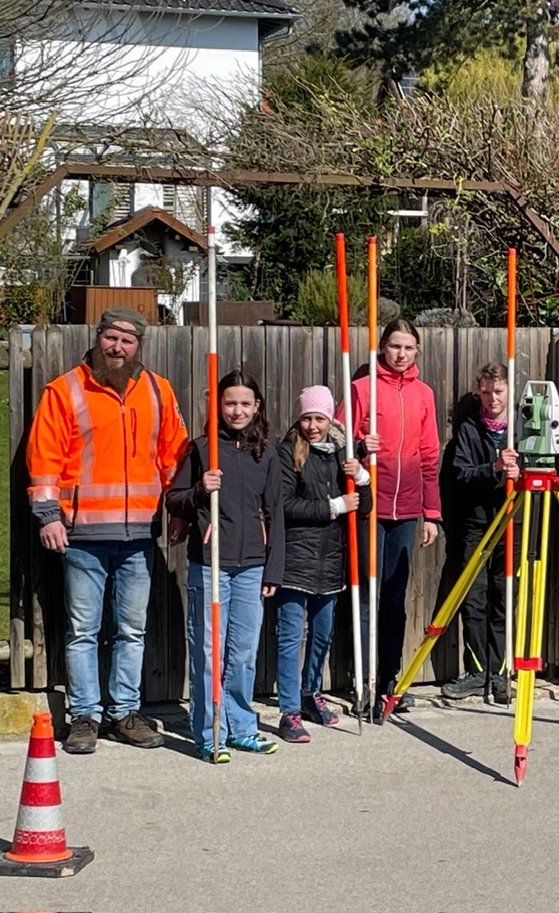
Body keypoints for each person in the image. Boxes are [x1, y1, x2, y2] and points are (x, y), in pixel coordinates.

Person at [27, 307, 188, 755]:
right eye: (111, 337)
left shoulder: (158, 390)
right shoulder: (65, 390)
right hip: (82, 535)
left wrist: (180, 510)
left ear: (138, 346)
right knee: (83, 630)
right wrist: (48, 515)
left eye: (127, 340)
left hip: (140, 535)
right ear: (98, 337)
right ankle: (85, 717)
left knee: (132, 631)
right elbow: (44, 457)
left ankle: (125, 713)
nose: (117, 347)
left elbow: (173, 456)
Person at [167, 370, 284, 761]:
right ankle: (209, 732)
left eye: (245, 403)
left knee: (244, 653)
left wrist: (274, 568)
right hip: (210, 563)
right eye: (230, 403)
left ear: (257, 406)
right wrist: (201, 489)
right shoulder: (202, 449)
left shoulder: (266, 452)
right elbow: (174, 499)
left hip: (252, 565)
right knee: (208, 653)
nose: (237, 411)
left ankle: (242, 728)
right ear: (218, 405)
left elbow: (275, 512)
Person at [344, 318, 443, 721]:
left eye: (408, 348)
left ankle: (389, 679)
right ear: (382, 347)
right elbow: (334, 441)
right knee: (367, 596)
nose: (401, 354)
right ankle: (362, 679)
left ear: (417, 351)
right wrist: (357, 443)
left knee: (394, 597)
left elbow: (430, 456)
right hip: (370, 506)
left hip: (407, 510)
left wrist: (431, 513)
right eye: (394, 346)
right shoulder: (361, 389)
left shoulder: (423, 394)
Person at [274, 386, 372, 743]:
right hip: (295, 559)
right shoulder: (288, 452)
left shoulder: (343, 453)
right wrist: (333, 506)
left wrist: (362, 479)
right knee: (290, 637)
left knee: (322, 634)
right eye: (306, 418)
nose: (312, 426)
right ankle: (289, 711)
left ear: (330, 419)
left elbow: (363, 507)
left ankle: (310, 692)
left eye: (319, 418)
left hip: (331, 560)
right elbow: (284, 505)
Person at [439, 363, 522, 701]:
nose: (492, 399)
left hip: (511, 520)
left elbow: (542, 469)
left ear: (509, 390)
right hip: (476, 522)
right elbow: (460, 474)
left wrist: (519, 472)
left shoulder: (523, 427)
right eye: (486, 392)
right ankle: (477, 671)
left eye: (498, 391)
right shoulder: (469, 429)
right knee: (474, 597)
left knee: (503, 596)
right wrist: (494, 468)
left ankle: (500, 672)